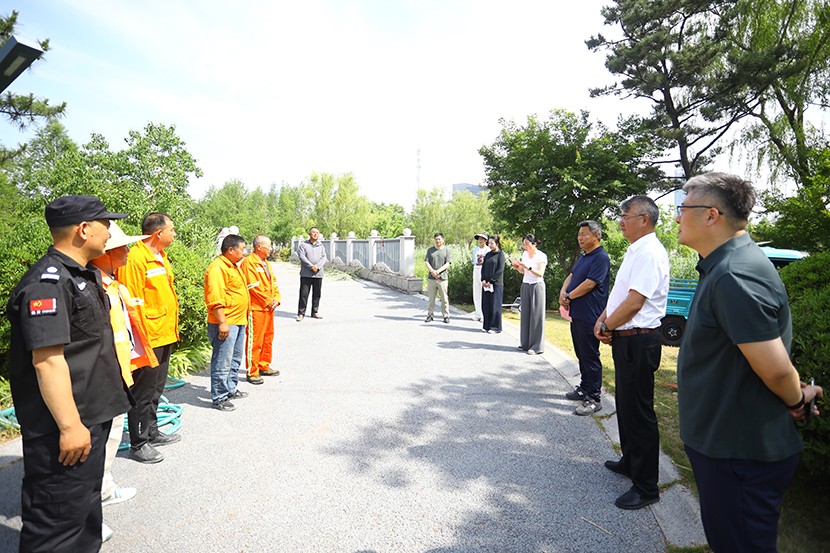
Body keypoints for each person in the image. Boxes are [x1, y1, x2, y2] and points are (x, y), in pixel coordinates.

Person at [675, 172, 823, 551]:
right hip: (727, 444)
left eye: (683, 208)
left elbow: (775, 368)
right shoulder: (725, 265)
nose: (676, 216)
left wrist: (797, 400)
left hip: (738, 451)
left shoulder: (734, 274)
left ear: (711, 215)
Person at [7, 195, 133, 553]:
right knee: (57, 525)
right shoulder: (47, 284)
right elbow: (47, 361)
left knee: (84, 515)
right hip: (65, 429)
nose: (110, 231)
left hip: (91, 419)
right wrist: (69, 426)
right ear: (83, 229)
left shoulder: (82, 275)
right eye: (105, 224)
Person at [594, 195, 669, 510]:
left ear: (644, 219)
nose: (620, 221)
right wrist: (605, 319)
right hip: (626, 338)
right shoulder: (636, 250)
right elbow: (621, 294)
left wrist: (607, 325)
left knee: (639, 411)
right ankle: (630, 461)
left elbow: (636, 302)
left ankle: (646, 486)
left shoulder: (650, 252)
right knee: (626, 407)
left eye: (625, 216)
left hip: (640, 340)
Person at [89, 222, 159, 542]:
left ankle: (104, 490)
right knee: (96, 445)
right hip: (103, 378)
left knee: (112, 437)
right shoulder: (94, 287)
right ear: (106, 252)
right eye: (123, 246)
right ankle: (85, 516)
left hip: (119, 373)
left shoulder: (112, 284)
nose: (128, 251)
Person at [117, 212, 182, 464]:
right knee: (142, 392)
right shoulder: (136, 259)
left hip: (164, 333)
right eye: (172, 229)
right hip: (148, 337)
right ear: (158, 233)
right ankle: (139, 443)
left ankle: (152, 432)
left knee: (156, 388)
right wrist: (140, 341)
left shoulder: (160, 256)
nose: (174, 233)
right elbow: (131, 303)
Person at [559, 221, 610, 416]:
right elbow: (571, 275)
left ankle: (594, 397)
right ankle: (584, 387)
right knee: (581, 353)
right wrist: (563, 292)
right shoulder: (584, 256)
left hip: (590, 315)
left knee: (590, 356)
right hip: (577, 314)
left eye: (584, 234)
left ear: (596, 236)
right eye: (579, 234)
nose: (580, 238)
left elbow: (590, 284)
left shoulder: (600, 257)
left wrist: (569, 296)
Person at [205, 234, 251, 411]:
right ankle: (219, 397)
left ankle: (230, 388)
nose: (244, 252)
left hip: (238, 320)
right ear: (231, 250)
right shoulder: (217, 268)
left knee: (234, 359)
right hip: (226, 322)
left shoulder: (232, 266)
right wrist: (222, 323)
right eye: (242, 249)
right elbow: (215, 299)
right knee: (222, 361)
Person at [241, 235, 281, 385]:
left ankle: (264, 365)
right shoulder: (249, 263)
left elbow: (274, 283)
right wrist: (268, 300)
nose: (271, 249)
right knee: (255, 340)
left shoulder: (266, 263)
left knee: (268, 338)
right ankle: (252, 371)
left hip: (268, 308)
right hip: (256, 308)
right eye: (268, 246)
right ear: (259, 246)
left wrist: (276, 298)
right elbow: (253, 286)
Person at [512, 234, 547, 354]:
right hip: (526, 284)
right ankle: (525, 343)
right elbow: (523, 271)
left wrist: (529, 267)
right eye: (524, 244)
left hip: (537, 286)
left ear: (534, 244)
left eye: (527, 244)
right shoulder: (525, 254)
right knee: (525, 314)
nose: (525, 246)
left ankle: (536, 346)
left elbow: (540, 273)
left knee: (536, 315)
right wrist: (518, 267)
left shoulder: (541, 256)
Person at [296, 227, 327, 322]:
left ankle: (315, 312)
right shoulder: (303, 245)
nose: (315, 234)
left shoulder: (321, 246)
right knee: (304, 294)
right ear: (309, 234)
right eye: (313, 232)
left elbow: (324, 257)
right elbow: (302, 257)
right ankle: (301, 313)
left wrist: (317, 266)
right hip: (306, 274)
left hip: (318, 274)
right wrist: (311, 266)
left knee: (317, 294)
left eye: (317, 233)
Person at [424, 232, 452, 323]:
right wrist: (433, 271)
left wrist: (438, 271)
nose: (437, 241)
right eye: (436, 239)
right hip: (431, 278)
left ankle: (446, 316)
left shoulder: (447, 250)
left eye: (439, 239)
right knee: (431, 298)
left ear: (443, 240)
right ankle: (430, 315)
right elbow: (426, 262)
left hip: (442, 278)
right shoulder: (430, 250)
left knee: (444, 298)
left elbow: (447, 263)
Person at [480, 235, 505, 333]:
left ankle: (495, 327)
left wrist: (491, 281)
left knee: (495, 305)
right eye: (489, 243)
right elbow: (483, 268)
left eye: (492, 243)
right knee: (486, 304)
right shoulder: (488, 255)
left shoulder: (500, 255)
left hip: (496, 284)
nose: (490, 245)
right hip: (486, 284)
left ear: (497, 243)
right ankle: (486, 325)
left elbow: (500, 270)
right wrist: (483, 279)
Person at [471, 233, 488, 321]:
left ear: (485, 240)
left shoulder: (488, 250)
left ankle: (484, 315)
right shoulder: (476, 249)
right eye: (479, 239)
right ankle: (478, 313)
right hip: (476, 268)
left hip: (484, 269)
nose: (480, 241)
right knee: (476, 291)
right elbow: (474, 260)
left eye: (482, 239)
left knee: (483, 292)